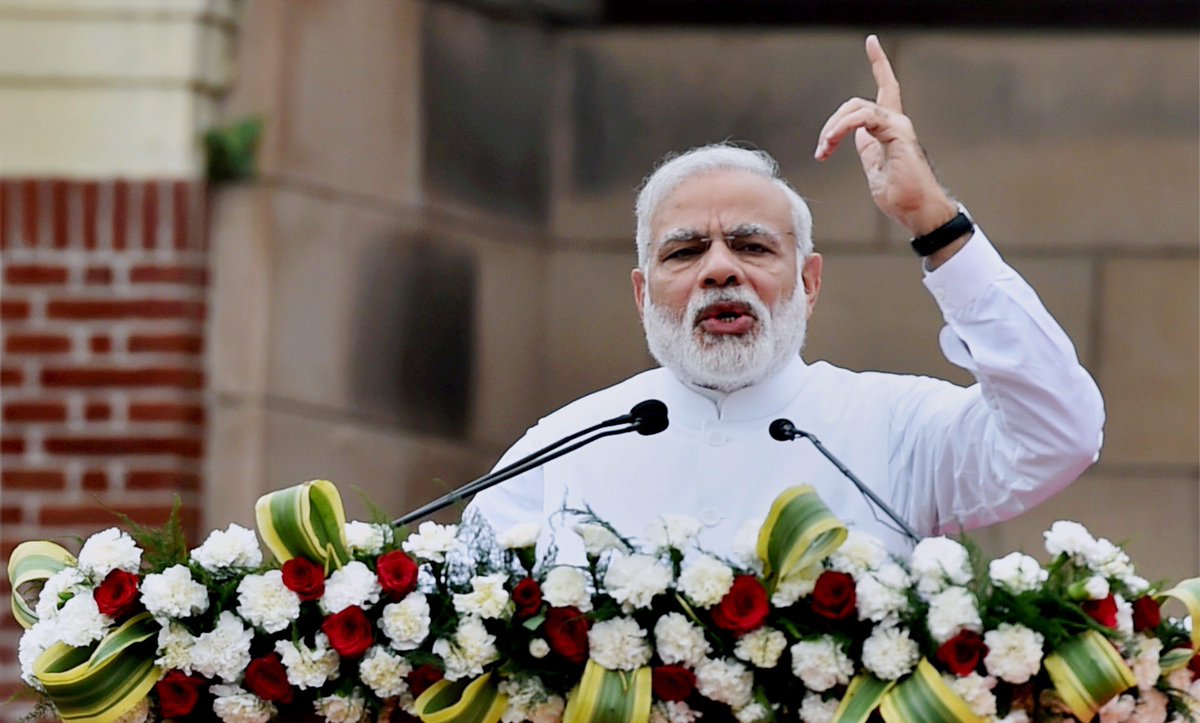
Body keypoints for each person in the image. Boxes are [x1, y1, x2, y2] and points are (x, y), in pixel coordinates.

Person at [466, 35, 1103, 560]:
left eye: (752, 246)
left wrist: (933, 219)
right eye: (685, 252)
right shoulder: (566, 445)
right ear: (642, 293)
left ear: (809, 281)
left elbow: (1058, 434)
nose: (719, 271)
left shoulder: (899, 426)